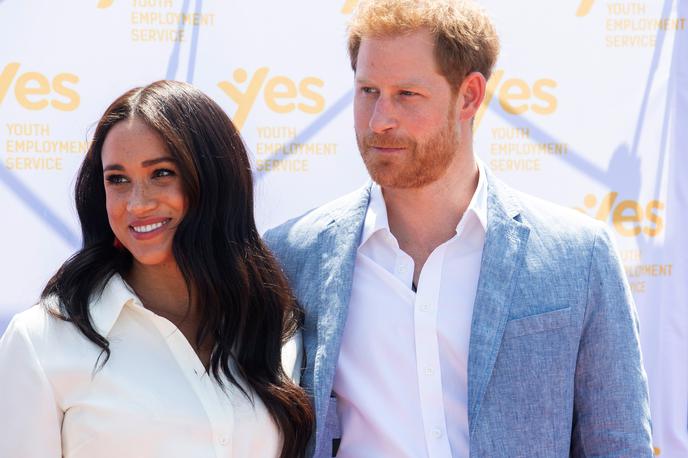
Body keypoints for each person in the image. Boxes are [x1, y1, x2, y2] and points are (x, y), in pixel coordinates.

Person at [264, 0, 653, 456]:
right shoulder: (293, 255)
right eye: (368, 90)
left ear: (468, 96)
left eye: (407, 95)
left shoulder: (577, 256)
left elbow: (618, 443)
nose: (379, 120)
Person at [0, 80, 313, 458]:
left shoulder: (276, 324)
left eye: (161, 173)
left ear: (215, 181)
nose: (137, 203)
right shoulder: (43, 340)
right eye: (117, 180)